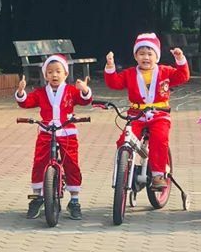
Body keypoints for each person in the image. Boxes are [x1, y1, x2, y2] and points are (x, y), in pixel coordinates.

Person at [104, 32, 190, 191]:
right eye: (142, 53)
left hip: (159, 114)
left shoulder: (165, 71)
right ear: (135, 56)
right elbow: (114, 83)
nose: (146, 57)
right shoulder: (130, 73)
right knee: (123, 141)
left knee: (160, 139)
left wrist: (180, 60)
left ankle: (158, 175)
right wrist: (110, 67)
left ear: (157, 57)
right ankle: (123, 171)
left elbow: (182, 76)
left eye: (150, 54)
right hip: (136, 115)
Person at [15, 55, 93, 220]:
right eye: (50, 72)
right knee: (39, 162)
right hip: (46, 131)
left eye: (58, 71)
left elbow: (84, 100)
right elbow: (26, 102)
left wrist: (85, 90)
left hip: (67, 131)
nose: (54, 75)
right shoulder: (41, 92)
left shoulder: (71, 91)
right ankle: (37, 197)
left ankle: (74, 200)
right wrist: (21, 92)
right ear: (45, 75)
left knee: (71, 162)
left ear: (65, 74)